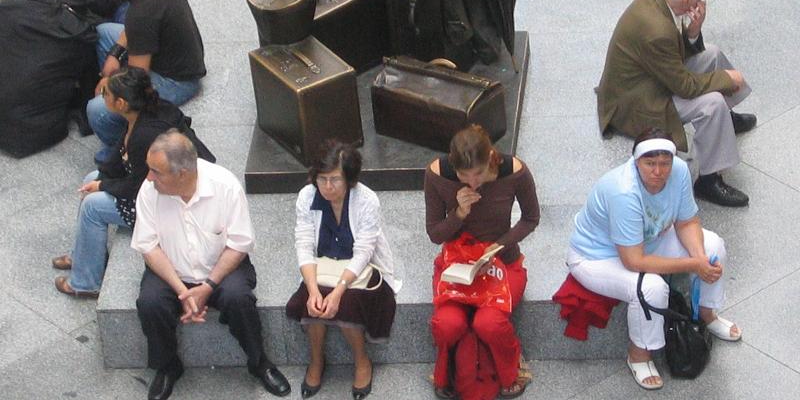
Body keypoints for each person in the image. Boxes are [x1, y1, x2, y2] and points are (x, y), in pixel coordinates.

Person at [567, 128, 742, 391]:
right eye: (650, 164)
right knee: (650, 287)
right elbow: (634, 261)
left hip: (649, 239)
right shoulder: (623, 191)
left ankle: (707, 313)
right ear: (636, 162)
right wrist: (692, 265)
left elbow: (687, 221)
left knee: (714, 246)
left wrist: (700, 257)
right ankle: (639, 353)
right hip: (599, 256)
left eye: (664, 163)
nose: (658, 172)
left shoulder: (680, 171)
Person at [131, 131, 289, 400]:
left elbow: (239, 243)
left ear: (182, 173)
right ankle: (168, 366)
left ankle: (259, 362)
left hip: (221, 267)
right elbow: (149, 247)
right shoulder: (149, 190)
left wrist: (208, 286)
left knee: (239, 298)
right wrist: (183, 291)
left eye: (156, 172)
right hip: (172, 270)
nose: (149, 177)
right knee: (150, 302)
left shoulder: (225, 185)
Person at [596, 0, 756, 207]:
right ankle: (708, 180)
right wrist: (727, 79)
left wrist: (693, 31)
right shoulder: (655, 29)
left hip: (649, 78)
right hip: (639, 101)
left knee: (711, 53)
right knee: (711, 104)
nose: (705, 0)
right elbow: (684, 86)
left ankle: (725, 122)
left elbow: (671, 54)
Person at [52, 68, 211, 298]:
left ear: (121, 103)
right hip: (158, 187)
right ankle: (83, 256)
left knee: (92, 206)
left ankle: (85, 283)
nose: (101, 96)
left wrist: (103, 186)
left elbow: (140, 188)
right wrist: (101, 179)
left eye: (105, 93)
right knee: (91, 178)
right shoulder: (143, 114)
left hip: (170, 203)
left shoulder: (146, 136)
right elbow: (120, 155)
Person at [425, 125, 540, 399]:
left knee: (488, 323)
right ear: (454, 166)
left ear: (490, 157)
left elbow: (530, 218)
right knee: (448, 323)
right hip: (457, 266)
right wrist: (459, 214)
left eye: (478, 174)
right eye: (464, 176)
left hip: (503, 262)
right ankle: (449, 369)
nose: (472, 182)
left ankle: (510, 365)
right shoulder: (437, 175)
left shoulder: (514, 171)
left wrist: (499, 245)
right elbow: (434, 234)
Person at [286, 140, 400, 400]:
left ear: (349, 179)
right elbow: (303, 244)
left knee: (346, 303)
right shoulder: (306, 196)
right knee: (310, 302)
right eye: (322, 179)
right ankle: (316, 360)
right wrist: (313, 289)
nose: (327, 187)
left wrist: (337, 291)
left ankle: (362, 361)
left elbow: (364, 252)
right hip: (323, 265)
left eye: (335, 179)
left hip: (358, 270)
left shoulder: (366, 199)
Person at [84, 0, 206, 164]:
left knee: (96, 110)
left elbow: (137, 79)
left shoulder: (144, 12)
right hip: (176, 56)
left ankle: (121, 148)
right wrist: (114, 54)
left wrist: (108, 86)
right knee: (102, 34)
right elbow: (131, 27)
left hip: (177, 80)